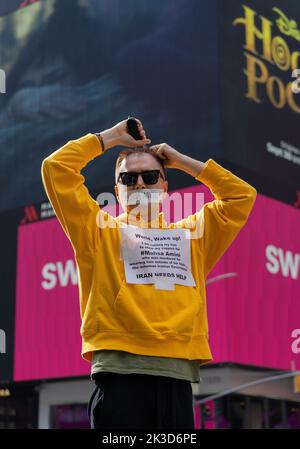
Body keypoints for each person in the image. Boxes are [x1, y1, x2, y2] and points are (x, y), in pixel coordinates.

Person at [41, 118, 257, 429]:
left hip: (178, 378)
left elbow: (241, 197)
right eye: (128, 179)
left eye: (150, 176)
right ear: (117, 191)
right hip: (118, 376)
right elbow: (55, 168)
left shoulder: (192, 236)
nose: (139, 184)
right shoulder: (98, 232)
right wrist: (111, 137)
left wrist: (184, 163)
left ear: (165, 186)